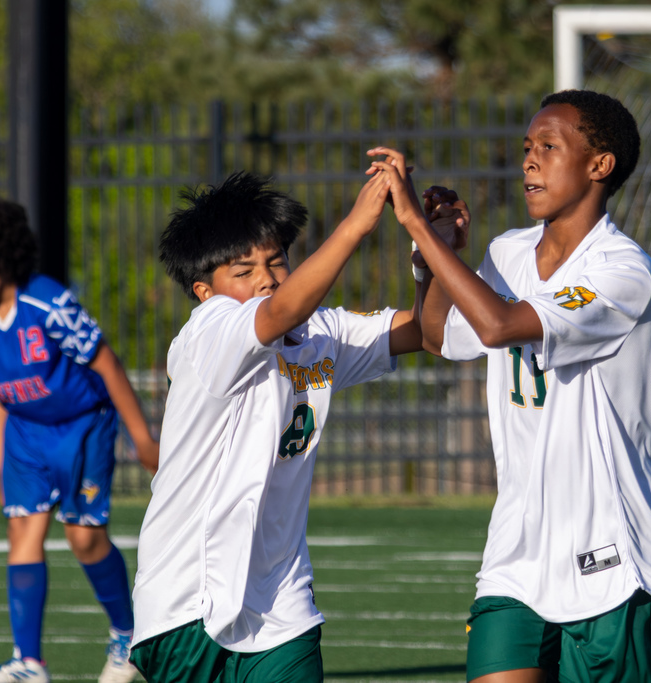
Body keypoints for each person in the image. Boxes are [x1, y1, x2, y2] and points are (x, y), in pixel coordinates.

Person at [370, 89, 651, 682]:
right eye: (526, 147)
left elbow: (498, 325)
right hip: (516, 550)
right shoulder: (507, 251)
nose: (529, 161)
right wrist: (432, 250)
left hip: (607, 552)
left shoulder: (622, 270)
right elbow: (441, 336)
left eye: (548, 146)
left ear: (600, 165)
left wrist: (413, 216)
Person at [129, 166, 459, 683]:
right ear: (203, 291)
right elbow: (279, 310)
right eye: (243, 271)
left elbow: (426, 332)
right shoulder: (209, 331)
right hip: (185, 603)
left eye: (276, 260)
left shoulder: (318, 332)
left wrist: (433, 257)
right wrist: (356, 224)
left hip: (282, 603)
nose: (265, 277)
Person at [0, 198, 159, 683]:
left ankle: (127, 634)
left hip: (82, 427)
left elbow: (105, 361)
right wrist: (0, 466)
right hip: (25, 435)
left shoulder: (49, 304)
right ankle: (28, 662)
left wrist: (142, 437)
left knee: (85, 539)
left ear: (3, 258)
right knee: (21, 531)